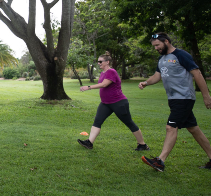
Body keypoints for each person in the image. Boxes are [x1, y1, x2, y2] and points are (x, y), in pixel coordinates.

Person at [139, 32, 211, 172]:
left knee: (171, 127)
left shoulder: (181, 55)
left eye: (158, 45)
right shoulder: (162, 59)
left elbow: (197, 74)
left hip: (184, 98)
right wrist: (146, 83)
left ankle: (160, 160)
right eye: (154, 46)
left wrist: (206, 95)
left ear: (166, 41)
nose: (156, 48)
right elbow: (157, 76)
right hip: (173, 99)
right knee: (193, 128)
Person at [77, 53, 149, 151]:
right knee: (97, 121)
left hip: (118, 103)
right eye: (98, 61)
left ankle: (142, 145)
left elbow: (104, 84)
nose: (98, 63)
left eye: (100, 61)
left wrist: (88, 87)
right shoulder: (103, 73)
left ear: (107, 62)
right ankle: (89, 142)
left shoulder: (111, 72)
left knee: (129, 123)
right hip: (105, 103)